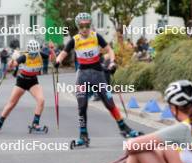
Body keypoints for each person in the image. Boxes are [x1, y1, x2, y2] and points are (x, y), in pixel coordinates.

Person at [54, 12, 143, 146]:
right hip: (83, 76)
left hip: (98, 74)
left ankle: (124, 128)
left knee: (109, 103)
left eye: (87, 26)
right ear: (78, 26)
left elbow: (109, 50)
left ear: (90, 25)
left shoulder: (96, 36)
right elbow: (63, 53)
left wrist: (112, 62)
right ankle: (83, 135)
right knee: (82, 106)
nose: (84, 29)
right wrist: (57, 61)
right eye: (81, 26)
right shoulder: (75, 39)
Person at [0, 40, 49, 134]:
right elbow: (11, 66)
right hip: (22, 81)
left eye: (35, 53)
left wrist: (51, 51)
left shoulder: (40, 54)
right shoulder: (24, 56)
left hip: (33, 81)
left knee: (41, 100)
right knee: (11, 104)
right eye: (32, 54)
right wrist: (12, 60)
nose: (34, 56)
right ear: (28, 51)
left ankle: (35, 124)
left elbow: (54, 60)